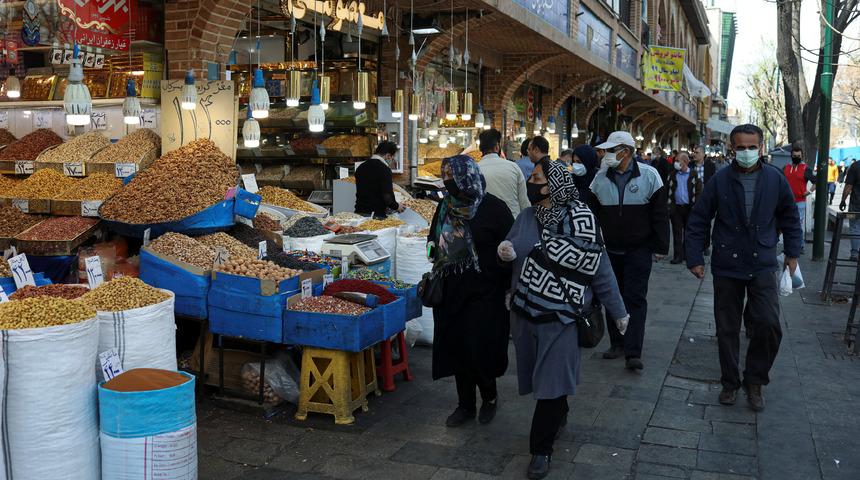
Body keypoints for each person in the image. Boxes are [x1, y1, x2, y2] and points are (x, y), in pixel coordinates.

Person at [499, 159, 628, 480]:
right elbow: (511, 248)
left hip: (563, 317)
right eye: (531, 177)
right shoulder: (527, 216)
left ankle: (540, 451)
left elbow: (601, 270)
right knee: (546, 379)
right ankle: (561, 410)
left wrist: (619, 311)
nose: (531, 182)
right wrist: (504, 252)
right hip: (525, 315)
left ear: (555, 185)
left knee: (552, 382)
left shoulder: (583, 220)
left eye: (537, 177)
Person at [685, 124, 801, 412]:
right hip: (727, 264)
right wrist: (695, 257)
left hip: (762, 262)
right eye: (741, 147)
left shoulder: (775, 179)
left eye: (752, 147)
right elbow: (699, 218)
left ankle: (755, 380)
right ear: (731, 149)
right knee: (727, 328)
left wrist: (792, 253)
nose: (746, 152)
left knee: (768, 324)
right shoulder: (721, 180)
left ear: (760, 148)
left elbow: (790, 216)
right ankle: (729, 382)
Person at [427, 155, 515, 427]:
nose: (447, 182)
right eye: (445, 177)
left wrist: (505, 260)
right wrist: (434, 249)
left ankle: (489, 396)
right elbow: (433, 238)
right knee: (457, 349)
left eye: (452, 177)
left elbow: (511, 248)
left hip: (485, 293)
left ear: (468, 176)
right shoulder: (445, 207)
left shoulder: (494, 208)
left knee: (480, 349)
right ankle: (465, 404)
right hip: (452, 292)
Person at [589, 131, 670, 370]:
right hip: (609, 250)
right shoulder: (600, 178)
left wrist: (660, 246)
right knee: (611, 297)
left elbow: (659, 215)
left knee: (635, 298)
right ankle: (617, 343)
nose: (608, 155)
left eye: (613, 150)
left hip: (639, 249)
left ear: (627, 151)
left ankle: (633, 351)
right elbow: (591, 214)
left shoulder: (650, 176)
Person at [478, 129, 531, 218]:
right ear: (497, 147)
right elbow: (524, 203)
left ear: (481, 149)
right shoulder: (513, 167)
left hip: (484, 225)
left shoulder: (475, 170)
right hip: (513, 224)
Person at [667, 153, 702, 264]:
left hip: (689, 208)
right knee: (677, 233)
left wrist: (696, 206)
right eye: (675, 160)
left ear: (685, 162)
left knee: (689, 232)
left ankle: (687, 254)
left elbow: (699, 192)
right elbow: (667, 191)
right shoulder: (672, 174)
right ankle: (678, 255)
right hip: (676, 208)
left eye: (678, 160)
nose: (675, 163)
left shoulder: (694, 174)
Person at [354, 141, 404, 218]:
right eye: (393, 157)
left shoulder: (361, 167)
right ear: (388, 156)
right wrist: (397, 206)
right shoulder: (384, 169)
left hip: (359, 213)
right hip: (376, 215)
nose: (393, 160)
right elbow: (387, 196)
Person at [782, 144, 815, 251]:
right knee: (787, 224)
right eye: (794, 155)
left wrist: (809, 192)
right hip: (786, 201)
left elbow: (816, 181)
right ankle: (789, 246)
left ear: (802, 156)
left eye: (798, 155)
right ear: (791, 156)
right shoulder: (786, 168)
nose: (796, 157)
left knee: (797, 224)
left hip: (800, 201)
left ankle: (800, 246)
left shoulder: (806, 168)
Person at [839, 158, 860, 261]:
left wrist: (843, 200)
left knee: (855, 227)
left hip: (856, 204)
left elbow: (848, 186)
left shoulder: (855, 166)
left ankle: (855, 253)